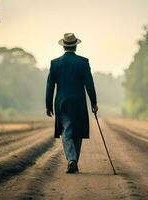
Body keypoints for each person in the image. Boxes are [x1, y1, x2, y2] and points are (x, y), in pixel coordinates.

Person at [45, 33, 98, 173]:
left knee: (67, 130)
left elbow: (50, 86)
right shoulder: (83, 62)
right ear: (75, 46)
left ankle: (72, 160)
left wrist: (48, 105)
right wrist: (94, 102)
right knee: (78, 131)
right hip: (79, 102)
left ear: (63, 46)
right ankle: (73, 160)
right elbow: (89, 84)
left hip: (62, 102)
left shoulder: (55, 63)